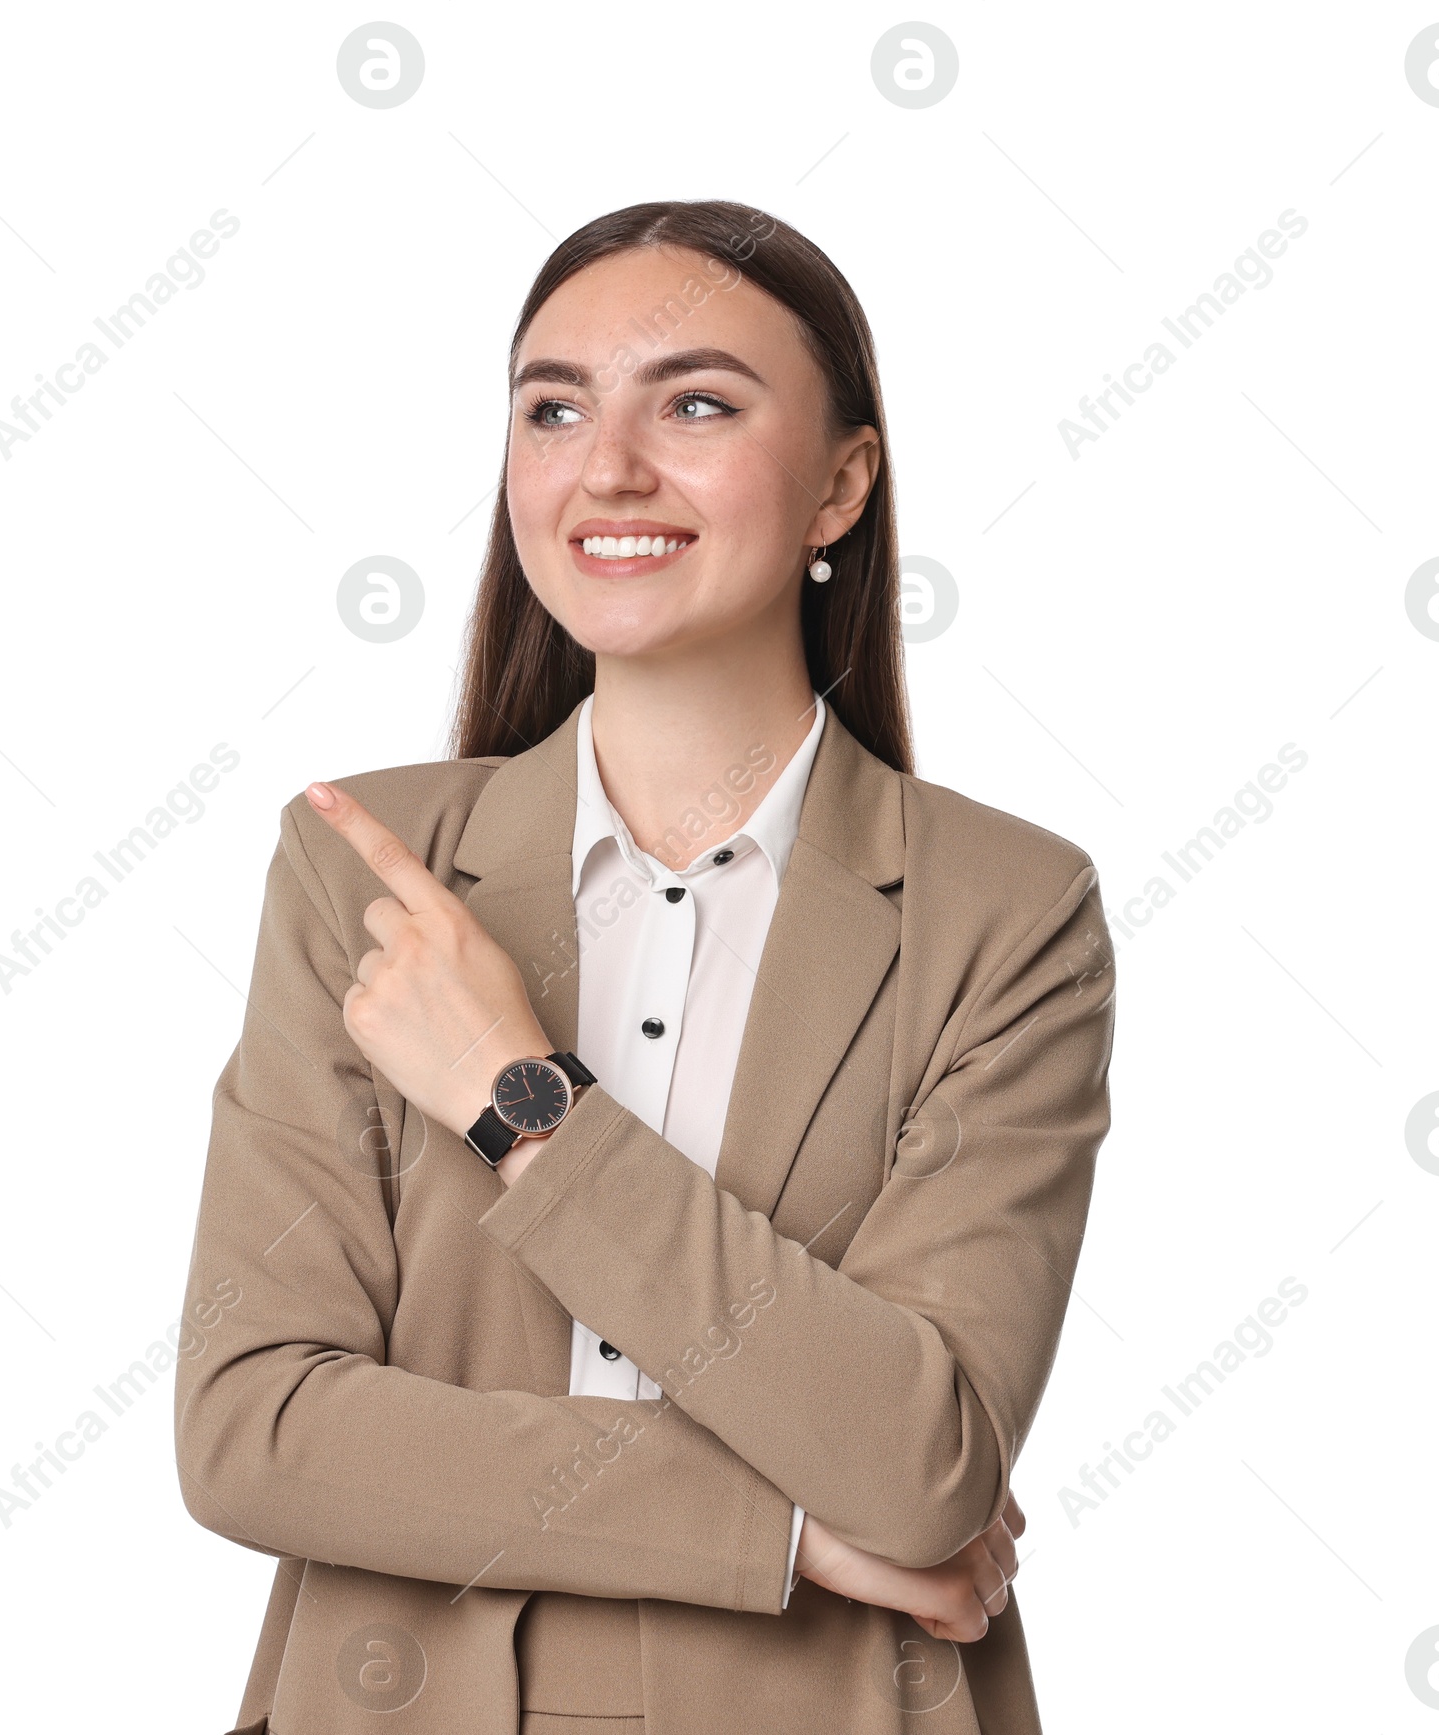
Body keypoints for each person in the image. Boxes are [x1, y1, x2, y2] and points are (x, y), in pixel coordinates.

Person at [174, 199, 1116, 1735]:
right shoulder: (361, 875)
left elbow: (919, 1463)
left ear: (840, 486)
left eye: (694, 403)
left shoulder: (1007, 913)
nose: (607, 467)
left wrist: (513, 1095)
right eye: (554, 408)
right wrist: (794, 1535)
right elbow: (253, 1426)